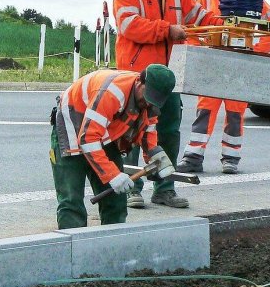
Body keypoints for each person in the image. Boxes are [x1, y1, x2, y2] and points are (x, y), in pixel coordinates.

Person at [113, 0, 224, 209]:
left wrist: (224, 26)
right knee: (131, 133)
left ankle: (164, 188)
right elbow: (130, 27)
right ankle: (132, 188)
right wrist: (167, 30)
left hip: (168, 78)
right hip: (137, 78)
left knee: (168, 132)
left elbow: (199, 16)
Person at [49, 65, 176, 229]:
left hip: (102, 132)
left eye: (153, 100)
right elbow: (87, 138)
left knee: (116, 200)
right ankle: (73, 248)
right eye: (146, 96)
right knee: (71, 199)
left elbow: (148, 129)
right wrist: (112, 175)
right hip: (71, 126)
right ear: (139, 81)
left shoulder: (150, 102)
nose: (147, 102)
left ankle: (111, 246)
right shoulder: (113, 93)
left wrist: (155, 156)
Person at [177, 0, 270, 174]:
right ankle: (194, 156)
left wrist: (255, 52)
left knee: (234, 112)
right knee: (206, 110)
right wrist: (201, 51)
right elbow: (190, 25)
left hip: (237, 66)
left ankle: (230, 158)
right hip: (214, 64)